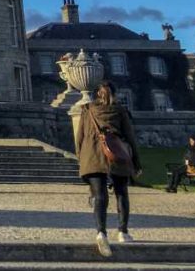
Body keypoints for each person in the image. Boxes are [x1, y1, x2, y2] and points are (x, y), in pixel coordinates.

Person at [75, 80, 142, 258]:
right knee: (121, 193)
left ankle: (101, 232)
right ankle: (123, 232)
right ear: (114, 93)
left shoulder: (87, 109)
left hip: (92, 155)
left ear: (97, 94)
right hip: (117, 154)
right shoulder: (119, 110)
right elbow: (130, 137)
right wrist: (136, 161)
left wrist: (81, 158)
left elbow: (79, 138)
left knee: (99, 195)